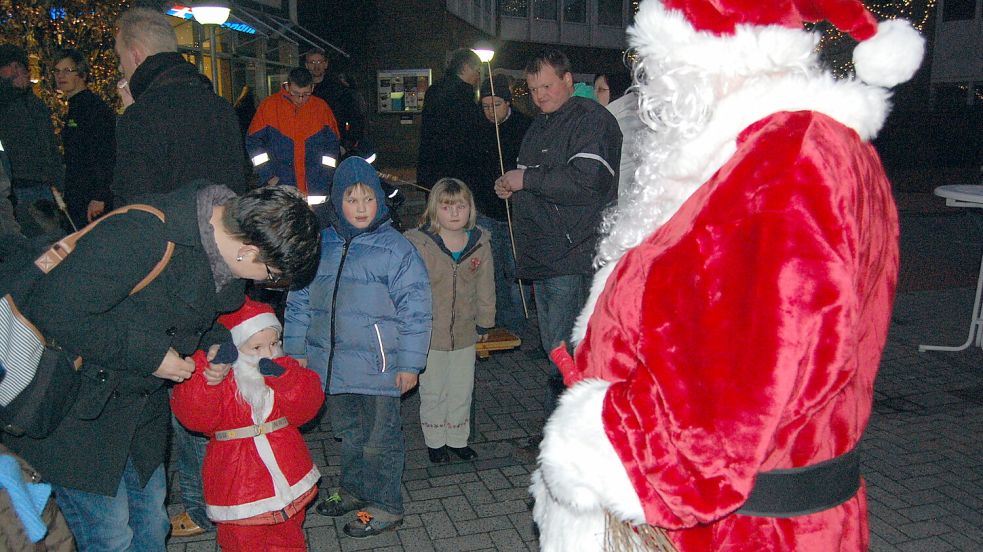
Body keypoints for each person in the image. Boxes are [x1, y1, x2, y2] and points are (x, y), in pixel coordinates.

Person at [529, 0, 925, 550]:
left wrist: (602, 445)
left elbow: (739, 396)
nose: (655, 85)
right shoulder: (751, 151)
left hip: (740, 529)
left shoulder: (790, 160)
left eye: (662, 62)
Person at [3, 181, 321, 551]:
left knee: (151, 524)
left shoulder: (222, 255)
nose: (268, 284)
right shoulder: (142, 234)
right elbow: (55, 309)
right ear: (248, 251)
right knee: (110, 537)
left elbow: (197, 317)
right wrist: (153, 356)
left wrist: (216, 345)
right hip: (76, 413)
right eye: (271, 274)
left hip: (138, 415)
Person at [284, 157, 431, 539]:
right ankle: (353, 491)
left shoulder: (396, 249)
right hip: (332, 365)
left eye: (368, 198)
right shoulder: (321, 244)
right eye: (352, 199)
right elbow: (299, 300)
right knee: (350, 434)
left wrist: (410, 364)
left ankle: (384, 506)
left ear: (380, 201)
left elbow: (416, 308)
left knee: (380, 440)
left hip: (381, 367)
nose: (361, 207)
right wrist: (296, 349)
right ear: (337, 202)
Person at [493, 49, 621, 453]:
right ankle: (558, 432)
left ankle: (568, 438)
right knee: (556, 349)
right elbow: (536, 181)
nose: (539, 95)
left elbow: (589, 183)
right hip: (545, 254)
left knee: (565, 351)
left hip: (573, 253)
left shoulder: (591, 120)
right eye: (532, 89)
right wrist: (511, 186)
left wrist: (526, 179)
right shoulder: (542, 125)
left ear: (568, 80)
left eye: (546, 86)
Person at [172, 298, 324, 551]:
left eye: (274, 343)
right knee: (243, 541)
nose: (268, 353)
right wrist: (210, 378)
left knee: (289, 536)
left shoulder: (282, 368)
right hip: (239, 480)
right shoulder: (220, 377)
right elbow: (195, 416)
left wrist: (286, 380)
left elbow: (307, 408)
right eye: (256, 347)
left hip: (287, 471)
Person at [112, 7, 246, 205]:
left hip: (172, 233)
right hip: (221, 229)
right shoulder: (220, 106)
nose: (120, 67)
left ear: (135, 55)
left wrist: (132, 112)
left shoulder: (142, 116)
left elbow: (135, 202)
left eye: (120, 57)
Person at [405, 178, 494, 464]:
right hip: (430, 335)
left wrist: (485, 323)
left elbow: (486, 286)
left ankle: (457, 439)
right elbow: (411, 289)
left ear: (470, 209)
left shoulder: (480, 243)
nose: (455, 213)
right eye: (447, 207)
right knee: (433, 391)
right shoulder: (421, 245)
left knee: (461, 390)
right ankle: (435, 442)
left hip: (465, 333)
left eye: (461, 206)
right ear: (434, 210)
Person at [475, 75, 531, 336]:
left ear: (507, 103)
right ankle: (496, 319)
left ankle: (518, 322)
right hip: (488, 209)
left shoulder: (525, 127)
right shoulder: (477, 128)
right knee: (492, 269)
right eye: (485, 106)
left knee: (514, 270)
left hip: (515, 214)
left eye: (495, 105)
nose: (490, 112)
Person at [246, 67, 341, 199]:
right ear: (287, 86)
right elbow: (253, 143)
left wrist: (326, 175)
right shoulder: (269, 106)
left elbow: (332, 145)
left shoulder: (322, 108)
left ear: (312, 88)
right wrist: (268, 175)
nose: (300, 99)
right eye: (296, 93)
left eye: (306, 94)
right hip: (280, 186)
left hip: (316, 188)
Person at [0, 43, 63, 237]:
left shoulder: (36, 105)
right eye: (10, 66)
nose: (17, 71)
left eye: (19, 66)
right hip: (19, 189)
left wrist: (57, 180)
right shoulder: (5, 106)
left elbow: (50, 145)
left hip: (47, 186)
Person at [52, 48, 116, 228]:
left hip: (90, 198)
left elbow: (105, 152)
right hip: (78, 194)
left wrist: (100, 195)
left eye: (67, 70)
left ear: (82, 74)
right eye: (57, 71)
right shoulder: (75, 106)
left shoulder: (91, 108)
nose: (60, 76)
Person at [416, 48, 484, 187]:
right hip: (455, 170)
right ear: (465, 68)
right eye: (476, 70)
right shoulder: (461, 95)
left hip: (432, 168)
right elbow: (467, 134)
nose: (478, 76)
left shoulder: (435, 89)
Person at [304, 49, 367, 155]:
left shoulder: (339, 90)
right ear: (306, 65)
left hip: (334, 144)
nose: (316, 66)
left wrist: (346, 145)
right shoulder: (300, 90)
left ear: (326, 64)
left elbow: (355, 119)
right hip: (308, 144)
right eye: (312, 62)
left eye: (320, 62)